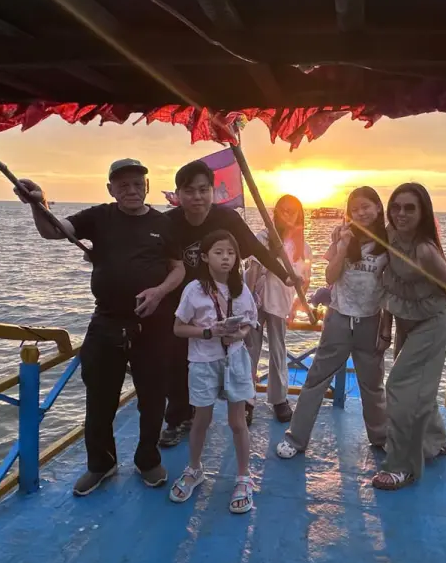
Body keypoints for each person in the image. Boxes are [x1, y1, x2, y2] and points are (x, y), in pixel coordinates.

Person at [14, 159, 184, 496]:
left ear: (147, 186)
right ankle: (101, 464)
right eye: (122, 185)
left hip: (152, 325)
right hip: (106, 322)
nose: (131, 190)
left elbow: (178, 268)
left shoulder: (164, 224)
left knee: (152, 398)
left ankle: (147, 460)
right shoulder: (99, 216)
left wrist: (160, 291)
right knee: (100, 399)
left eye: (137, 184)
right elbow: (53, 230)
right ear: (110, 190)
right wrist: (39, 203)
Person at [160, 160, 296, 447]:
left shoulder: (228, 219)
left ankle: (237, 408)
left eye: (203, 189)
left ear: (213, 191)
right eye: (189, 190)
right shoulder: (168, 222)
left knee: (228, 359)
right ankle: (178, 417)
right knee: (175, 361)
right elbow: (145, 250)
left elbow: (257, 249)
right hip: (184, 300)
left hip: (223, 302)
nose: (197, 197)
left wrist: (285, 275)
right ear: (178, 193)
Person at [275, 186, 389, 459]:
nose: (360, 213)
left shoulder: (389, 243)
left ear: (378, 208)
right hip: (338, 317)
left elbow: (390, 290)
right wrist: (343, 246)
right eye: (355, 208)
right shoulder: (342, 236)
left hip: (371, 320)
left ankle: (380, 437)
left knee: (372, 385)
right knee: (315, 379)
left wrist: (386, 327)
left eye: (366, 206)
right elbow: (330, 276)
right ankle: (296, 438)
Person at [372, 182, 446, 491]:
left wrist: (416, 294)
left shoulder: (424, 249)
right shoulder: (390, 236)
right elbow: (388, 280)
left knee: (398, 385)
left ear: (423, 211)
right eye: (396, 206)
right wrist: (387, 325)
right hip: (405, 320)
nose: (401, 213)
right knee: (421, 389)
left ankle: (403, 466)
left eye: (410, 207)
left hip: (430, 320)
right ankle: (436, 441)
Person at [170, 230, 258, 514]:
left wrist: (238, 333)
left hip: (234, 359)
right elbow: (179, 327)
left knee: (237, 421)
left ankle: (244, 477)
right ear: (205, 257)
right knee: (200, 420)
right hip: (203, 361)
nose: (226, 258)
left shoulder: (241, 289)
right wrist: (209, 332)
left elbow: (250, 323)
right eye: (219, 252)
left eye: (231, 253)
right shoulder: (193, 289)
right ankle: (194, 469)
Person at [245, 194, 311, 424]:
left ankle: (279, 399)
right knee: (250, 352)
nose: (287, 214)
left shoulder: (303, 247)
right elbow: (252, 269)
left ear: (300, 214)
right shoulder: (263, 237)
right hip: (256, 301)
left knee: (278, 351)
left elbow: (305, 280)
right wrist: (247, 302)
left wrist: (296, 306)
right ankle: (247, 400)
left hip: (280, 302)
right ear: (275, 212)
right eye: (283, 210)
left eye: (292, 210)